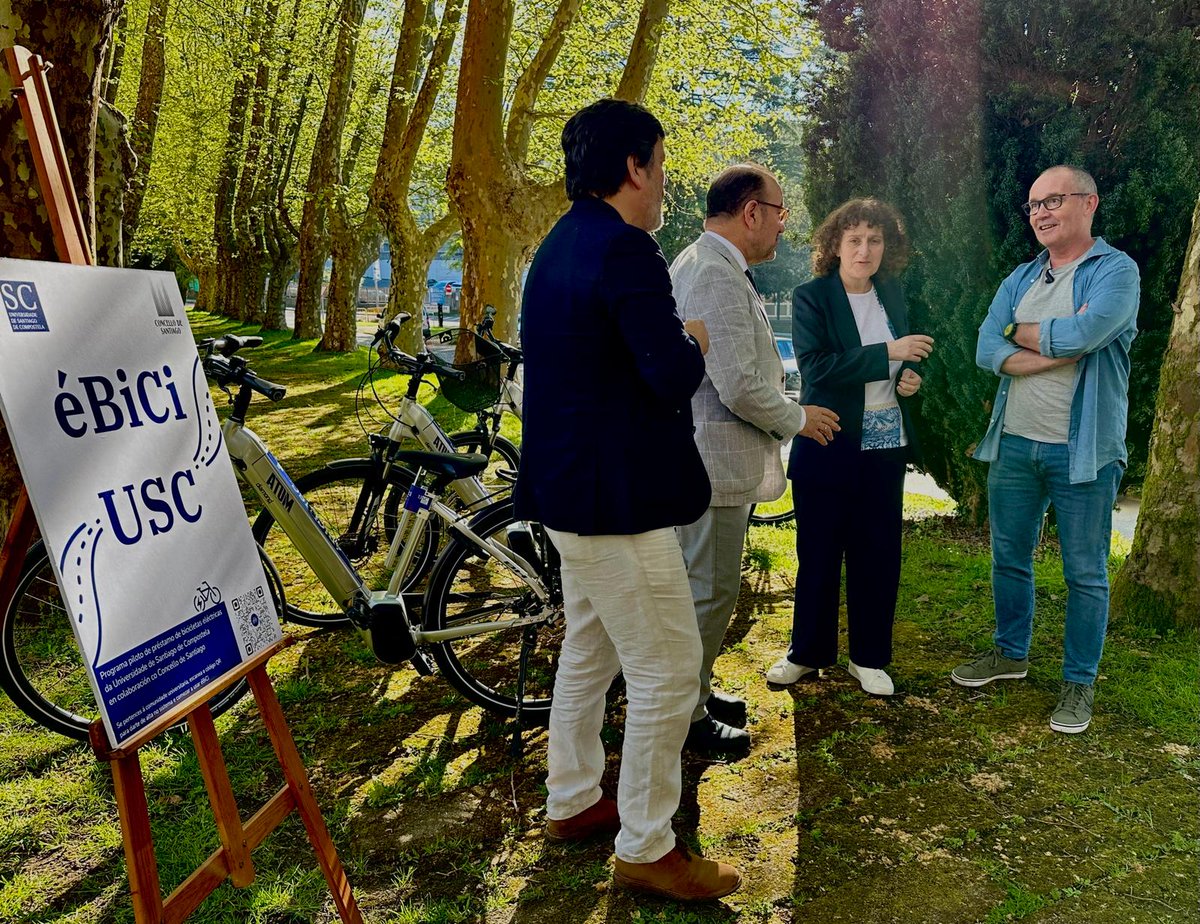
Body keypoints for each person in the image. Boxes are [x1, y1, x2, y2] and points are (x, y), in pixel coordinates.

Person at [513, 98, 741, 901]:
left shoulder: (559, 245)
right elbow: (671, 373)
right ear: (634, 168)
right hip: (614, 499)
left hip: (568, 487)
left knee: (591, 647)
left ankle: (572, 798)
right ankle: (645, 844)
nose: (667, 185)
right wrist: (695, 343)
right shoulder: (626, 250)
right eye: (663, 166)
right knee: (670, 667)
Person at [952, 165, 1139, 734]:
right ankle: (1011, 656)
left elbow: (1088, 334)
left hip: (1083, 452)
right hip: (1014, 444)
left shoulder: (1116, 271)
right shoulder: (1022, 277)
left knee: (1085, 573)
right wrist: (1037, 342)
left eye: (1054, 200)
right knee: (1009, 557)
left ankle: (1078, 684)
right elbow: (987, 345)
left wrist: (1021, 333)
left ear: (1089, 203)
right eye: (1034, 204)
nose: (1041, 213)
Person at [670, 164, 840, 759]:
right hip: (710, 465)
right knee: (709, 592)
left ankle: (695, 689)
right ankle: (684, 717)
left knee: (706, 588)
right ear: (751, 212)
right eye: (780, 214)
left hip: (709, 462)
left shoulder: (708, 263)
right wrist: (799, 417)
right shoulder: (713, 273)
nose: (781, 228)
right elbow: (738, 384)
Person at [765, 198, 932, 696]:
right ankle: (807, 653)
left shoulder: (893, 294)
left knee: (878, 552)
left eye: (875, 239)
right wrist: (890, 354)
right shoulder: (812, 296)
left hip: (885, 443)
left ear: (887, 247)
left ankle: (870, 656)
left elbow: (915, 358)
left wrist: (910, 376)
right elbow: (817, 368)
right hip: (830, 439)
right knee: (818, 553)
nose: (865, 249)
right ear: (834, 246)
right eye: (855, 239)